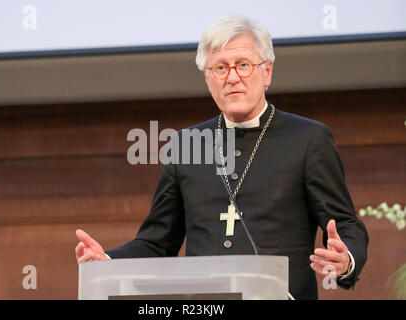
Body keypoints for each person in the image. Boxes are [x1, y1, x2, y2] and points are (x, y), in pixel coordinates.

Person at [75, 15, 369, 300]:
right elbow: (156, 242)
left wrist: (346, 259)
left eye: (243, 65)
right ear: (208, 77)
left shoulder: (308, 139)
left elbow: (346, 223)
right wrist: (107, 261)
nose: (232, 78)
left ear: (266, 72)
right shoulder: (185, 145)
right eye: (220, 68)